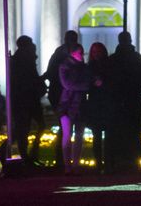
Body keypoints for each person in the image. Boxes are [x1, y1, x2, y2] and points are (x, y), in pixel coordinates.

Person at [109, 31, 141, 172]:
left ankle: (118, 160)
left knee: (118, 131)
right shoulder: (136, 58)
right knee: (134, 132)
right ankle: (133, 159)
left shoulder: (113, 59)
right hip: (132, 99)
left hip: (119, 100)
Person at [57, 43, 94, 175]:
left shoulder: (84, 67)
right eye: (80, 52)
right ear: (72, 54)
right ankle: (68, 166)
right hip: (68, 104)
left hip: (81, 104)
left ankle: (76, 164)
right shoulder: (65, 66)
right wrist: (85, 86)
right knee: (68, 136)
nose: (82, 55)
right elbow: (68, 84)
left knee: (79, 136)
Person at [45, 30, 80, 168]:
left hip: (63, 94)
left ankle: (63, 160)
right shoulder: (63, 54)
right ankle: (62, 160)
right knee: (65, 129)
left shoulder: (62, 53)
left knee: (65, 129)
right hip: (62, 95)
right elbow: (52, 73)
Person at [9, 36, 46, 165]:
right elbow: (28, 79)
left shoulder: (24, 58)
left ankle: (30, 155)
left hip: (29, 99)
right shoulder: (21, 60)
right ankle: (26, 156)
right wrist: (39, 85)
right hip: (25, 100)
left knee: (28, 129)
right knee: (22, 130)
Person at [85, 42, 113, 173]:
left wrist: (103, 83)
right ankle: (98, 163)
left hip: (106, 103)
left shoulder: (108, 65)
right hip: (95, 104)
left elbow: (113, 82)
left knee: (108, 136)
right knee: (96, 136)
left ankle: (107, 163)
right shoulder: (89, 67)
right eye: (94, 51)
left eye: (98, 51)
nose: (96, 54)